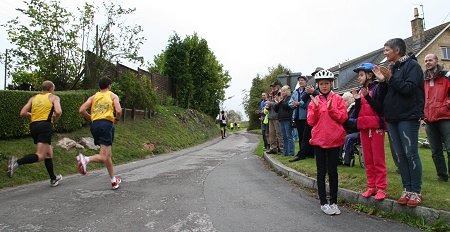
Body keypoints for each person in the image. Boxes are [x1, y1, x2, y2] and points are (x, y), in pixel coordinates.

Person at [373, 38, 424, 207]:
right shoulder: (392, 68)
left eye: (387, 50)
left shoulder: (413, 66)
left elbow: (409, 89)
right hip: (393, 117)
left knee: (411, 153)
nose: (384, 53)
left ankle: (416, 191)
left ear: (397, 50)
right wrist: (382, 81)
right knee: (400, 155)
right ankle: (406, 188)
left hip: (408, 116)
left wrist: (391, 78)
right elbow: (384, 96)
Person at [7, 81, 63, 187]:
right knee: (41, 155)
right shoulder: (54, 97)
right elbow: (58, 111)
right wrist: (54, 118)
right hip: (45, 126)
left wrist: (33, 115)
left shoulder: (34, 98)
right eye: (53, 88)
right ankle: (17, 162)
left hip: (34, 126)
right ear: (51, 88)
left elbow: (22, 112)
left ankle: (53, 178)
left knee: (48, 153)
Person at [307, 69, 347, 215]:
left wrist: (331, 110)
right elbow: (311, 121)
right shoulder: (314, 100)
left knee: (333, 172)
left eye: (327, 83)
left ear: (331, 84)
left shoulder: (338, 99)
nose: (324, 86)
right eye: (321, 84)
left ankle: (334, 202)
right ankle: (323, 202)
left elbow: (343, 118)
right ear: (318, 85)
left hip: (334, 140)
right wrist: (317, 107)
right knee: (321, 172)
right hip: (319, 140)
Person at [77, 77, 123, 190]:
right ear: (109, 86)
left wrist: (92, 117)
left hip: (95, 125)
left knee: (107, 156)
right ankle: (86, 159)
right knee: (104, 156)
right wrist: (116, 120)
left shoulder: (94, 97)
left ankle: (113, 181)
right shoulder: (113, 95)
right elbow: (119, 110)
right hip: (106, 125)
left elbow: (81, 110)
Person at [353, 63, 387, 201]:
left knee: (378, 159)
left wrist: (367, 97)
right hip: (364, 128)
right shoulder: (361, 91)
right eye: (358, 75)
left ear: (369, 75)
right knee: (368, 159)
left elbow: (379, 109)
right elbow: (357, 113)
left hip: (376, 128)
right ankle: (371, 186)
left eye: (361, 75)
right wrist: (357, 101)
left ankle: (381, 188)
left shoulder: (378, 88)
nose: (359, 78)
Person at [423, 54, 450, 182]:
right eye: (426, 61)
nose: (428, 62)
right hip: (429, 118)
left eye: (430, 60)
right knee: (435, 150)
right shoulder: (423, 80)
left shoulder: (446, 76)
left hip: (445, 117)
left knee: (449, 148)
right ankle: (442, 175)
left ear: (436, 61)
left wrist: (446, 104)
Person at [289, 68, 323, 162]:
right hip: (312, 115)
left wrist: (313, 92)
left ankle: (313, 154)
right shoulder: (312, 86)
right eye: (315, 74)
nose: (317, 76)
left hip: (321, 115)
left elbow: (323, 97)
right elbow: (303, 100)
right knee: (305, 136)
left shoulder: (324, 85)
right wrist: (298, 103)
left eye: (318, 74)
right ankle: (301, 154)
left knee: (315, 136)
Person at [289, 75, 308, 155]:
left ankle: (307, 152)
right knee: (300, 136)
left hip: (305, 117)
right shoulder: (295, 92)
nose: (300, 82)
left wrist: (298, 103)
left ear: (306, 81)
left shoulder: (308, 91)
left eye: (302, 80)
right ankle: (301, 152)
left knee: (306, 136)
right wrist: (295, 104)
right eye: (299, 80)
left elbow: (307, 104)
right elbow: (290, 103)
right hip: (297, 117)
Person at [275, 85, 295, 156]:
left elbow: (287, 106)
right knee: (284, 136)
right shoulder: (282, 100)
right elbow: (276, 109)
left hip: (287, 119)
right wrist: (278, 102)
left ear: (288, 91)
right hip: (281, 119)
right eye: (282, 91)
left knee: (289, 136)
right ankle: (285, 152)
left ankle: (291, 152)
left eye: (284, 91)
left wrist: (280, 102)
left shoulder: (290, 98)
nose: (283, 92)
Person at [341, 92, 359, 166]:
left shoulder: (354, 108)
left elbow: (355, 122)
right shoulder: (346, 110)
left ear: (351, 100)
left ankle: (347, 161)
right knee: (338, 136)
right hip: (349, 131)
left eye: (346, 100)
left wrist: (346, 120)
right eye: (343, 101)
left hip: (357, 131)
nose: (344, 103)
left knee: (348, 138)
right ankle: (338, 159)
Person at [266, 80, 284, 154]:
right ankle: (273, 148)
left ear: (278, 86)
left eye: (274, 86)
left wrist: (271, 104)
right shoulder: (271, 95)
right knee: (272, 133)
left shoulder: (281, 94)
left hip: (277, 116)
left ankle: (282, 148)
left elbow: (280, 104)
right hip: (271, 116)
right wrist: (267, 106)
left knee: (279, 133)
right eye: (272, 87)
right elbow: (270, 105)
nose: (273, 88)